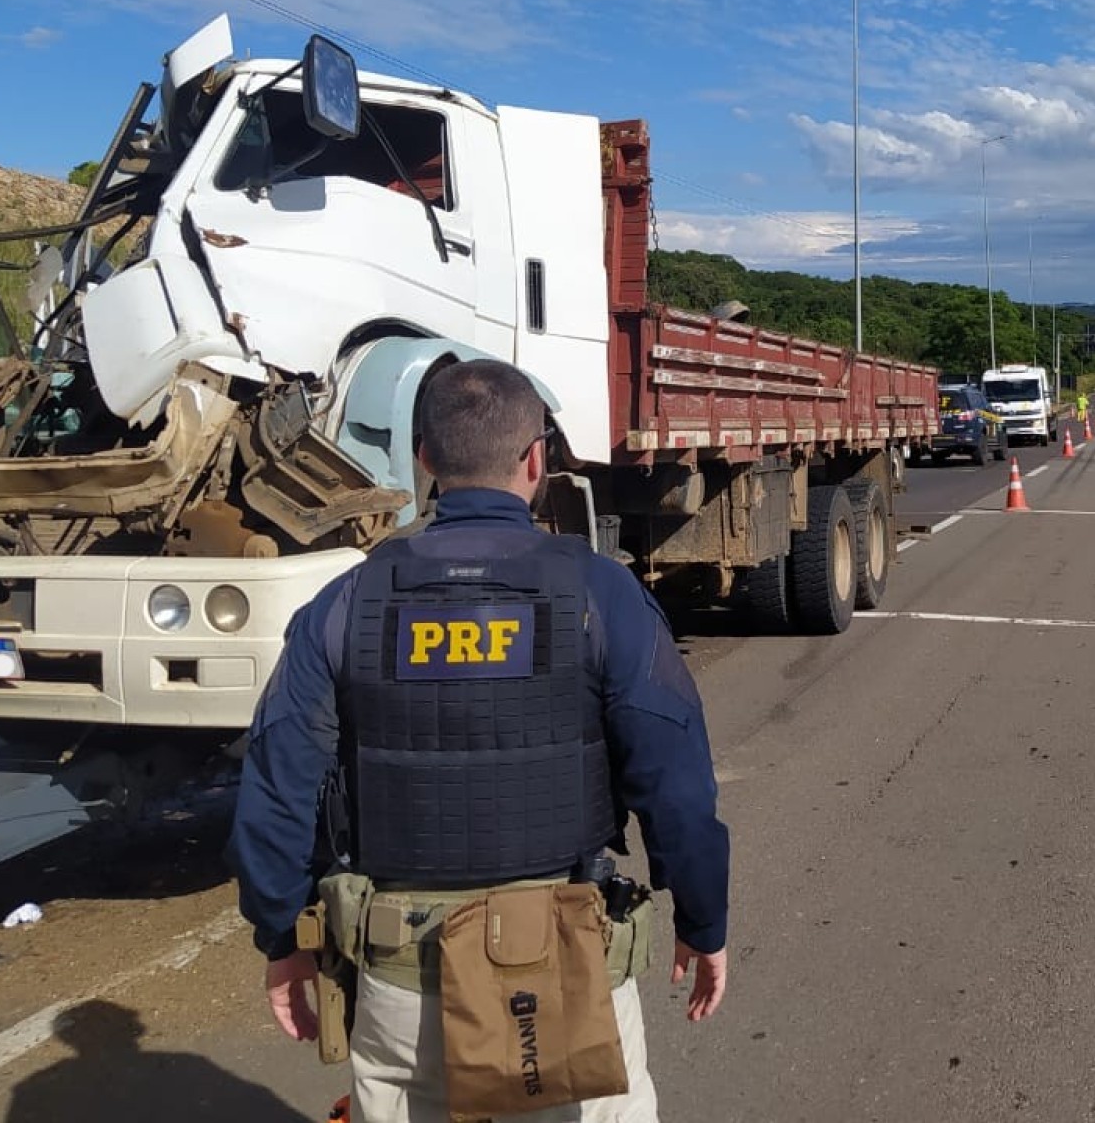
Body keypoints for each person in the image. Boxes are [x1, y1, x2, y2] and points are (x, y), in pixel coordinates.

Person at [228, 359, 730, 1123]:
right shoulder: (602, 594)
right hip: (565, 967)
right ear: (536, 459)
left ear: (424, 458)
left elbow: (276, 788)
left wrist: (282, 938)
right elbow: (676, 781)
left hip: (402, 973)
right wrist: (702, 921)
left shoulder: (346, 603)